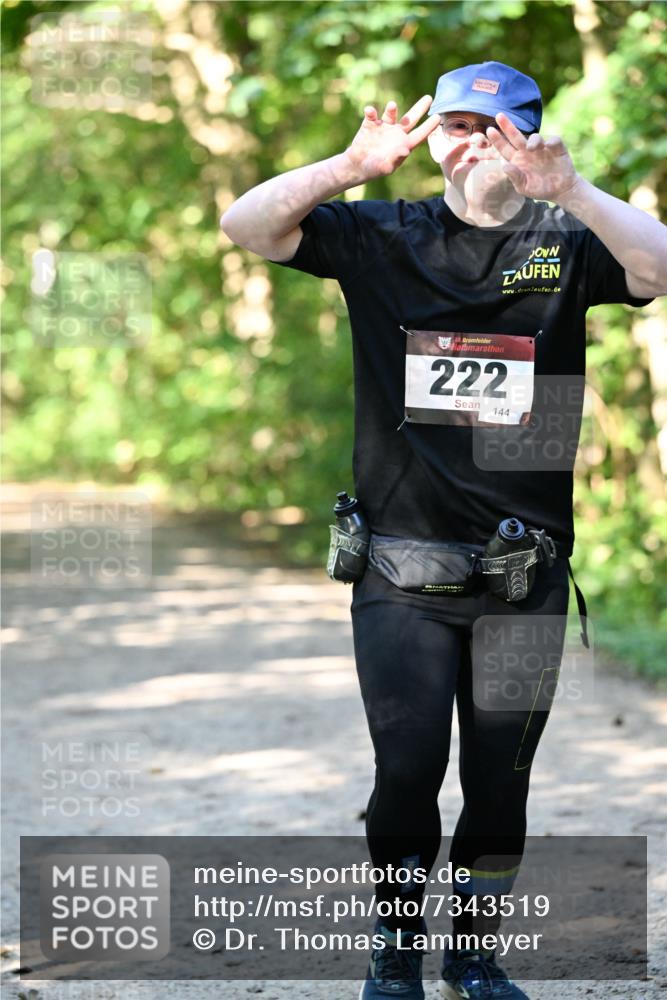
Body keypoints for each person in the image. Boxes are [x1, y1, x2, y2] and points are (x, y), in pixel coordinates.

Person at [220, 60, 666, 1000]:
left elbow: (657, 267)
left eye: (498, 129)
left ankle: (471, 953)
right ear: (434, 138)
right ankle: (394, 950)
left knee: (498, 788)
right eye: (458, 126)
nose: (475, 144)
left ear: (531, 139)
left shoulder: (564, 242)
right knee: (407, 771)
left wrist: (574, 190)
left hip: (523, 577)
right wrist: (347, 168)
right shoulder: (383, 235)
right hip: (401, 574)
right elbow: (247, 227)